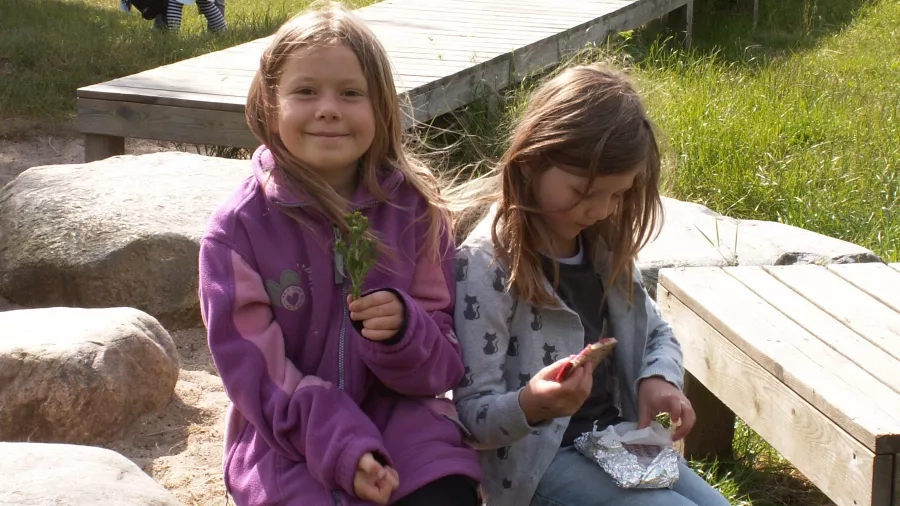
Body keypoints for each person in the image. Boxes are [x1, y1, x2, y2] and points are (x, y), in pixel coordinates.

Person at [197, 3, 482, 505]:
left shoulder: (415, 210)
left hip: (402, 416)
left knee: (447, 489)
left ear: (382, 108)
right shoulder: (236, 233)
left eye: (351, 94)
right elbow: (258, 378)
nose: (328, 108)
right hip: (289, 435)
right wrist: (345, 448)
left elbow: (443, 366)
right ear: (269, 102)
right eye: (305, 91)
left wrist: (402, 330)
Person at [450, 64, 731, 506]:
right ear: (532, 160)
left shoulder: (602, 246)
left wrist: (658, 379)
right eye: (584, 191)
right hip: (535, 463)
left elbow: (655, 331)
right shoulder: (488, 265)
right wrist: (532, 404)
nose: (601, 209)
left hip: (612, 439)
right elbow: (471, 414)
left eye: (617, 193)